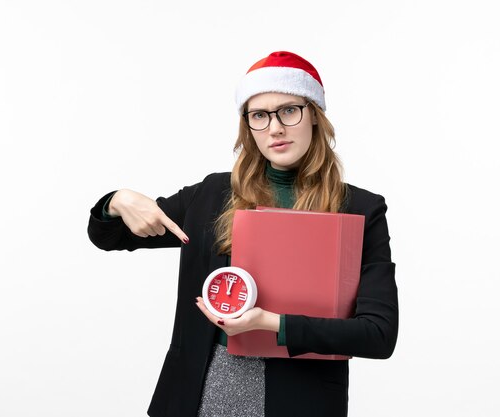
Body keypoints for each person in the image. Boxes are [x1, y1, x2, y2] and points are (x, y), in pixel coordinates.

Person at [87, 51, 398, 417]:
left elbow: (378, 335)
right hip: (199, 393)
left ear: (313, 114)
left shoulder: (360, 209)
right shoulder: (211, 195)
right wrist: (116, 201)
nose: (275, 128)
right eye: (259, 116)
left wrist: (270, 323)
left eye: (289, 110)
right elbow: (108, 236)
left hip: (300, 397)